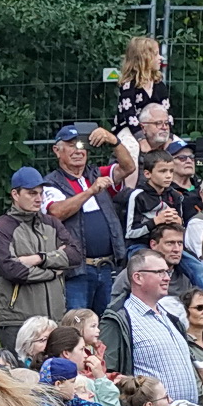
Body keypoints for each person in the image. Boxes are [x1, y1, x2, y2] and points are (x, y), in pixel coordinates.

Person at [41, 124, 133, 312]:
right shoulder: (51, 182)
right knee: (77, 324)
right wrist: (91, 191)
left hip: (108, 266)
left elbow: (128, 167)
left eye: (81, 145)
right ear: (56, 151)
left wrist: (112, 139)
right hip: (77, 271)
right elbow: (57, 212)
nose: (78, 150)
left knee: (109, 322)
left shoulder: (96, 174)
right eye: (71, 145)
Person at [0, 167, 81, 351]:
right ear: (15, 194)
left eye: (41, 193)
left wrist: (40, 258)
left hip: (55, 320)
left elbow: (75, 255)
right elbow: (12, 271)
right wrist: (54, 270)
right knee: (21, 377)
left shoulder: (52, 222)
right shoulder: (1, 228)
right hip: (19, 322)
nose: (39, 198)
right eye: (31, 193)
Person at [101, 248, 201, 403]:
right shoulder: (119, 320)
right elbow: (110, 374)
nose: (167, 278)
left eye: (167, 272)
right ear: (138, 278)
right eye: (160, 272)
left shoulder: (172, 318)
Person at [113, 35, 170, 143]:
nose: (161, 58)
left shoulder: (159, 85)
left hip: (156, 129)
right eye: (156, 54)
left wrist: (169, 137)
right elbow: (129, 116)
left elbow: (167, 113)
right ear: (144, 58)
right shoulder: (128, 86)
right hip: (130, 130)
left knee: (177, 147)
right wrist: (141, 139)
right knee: (132, 146)